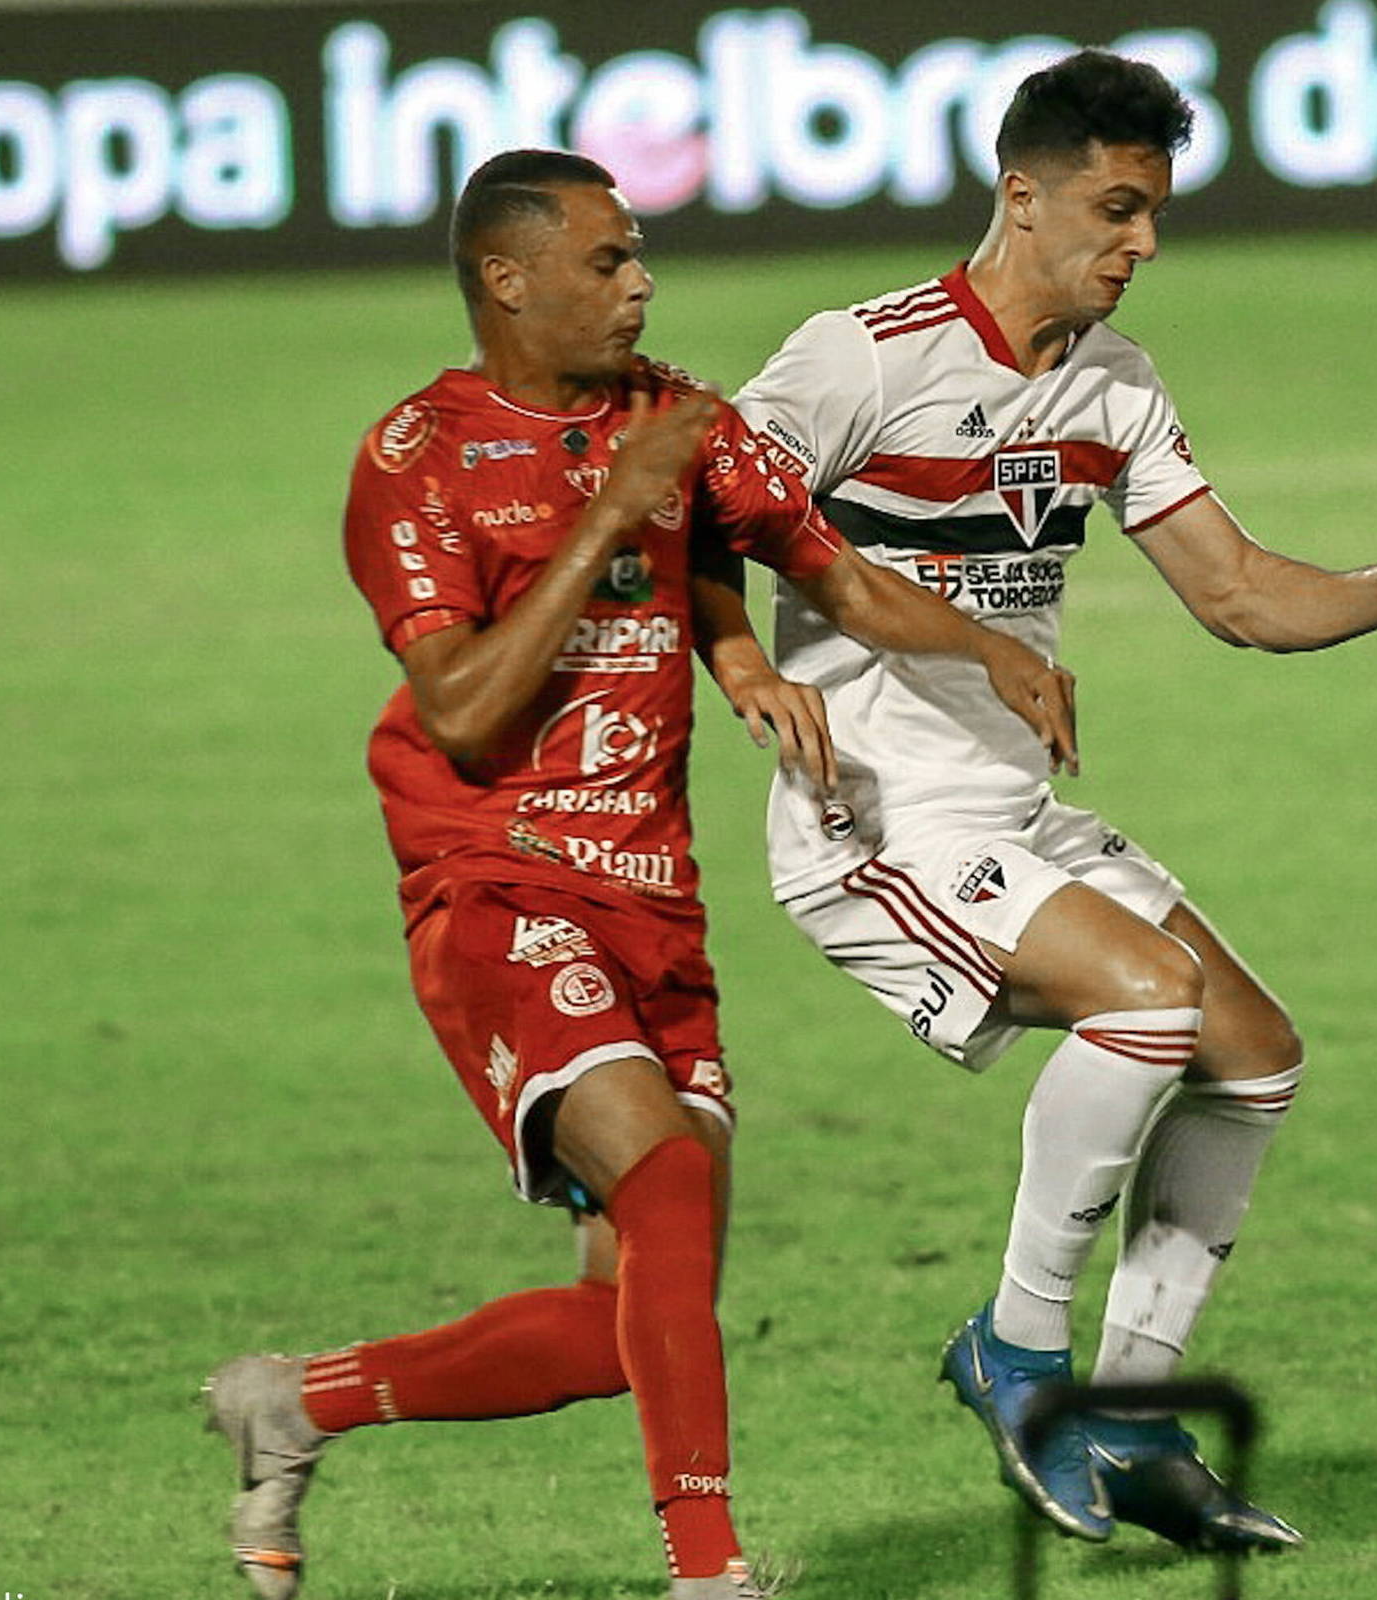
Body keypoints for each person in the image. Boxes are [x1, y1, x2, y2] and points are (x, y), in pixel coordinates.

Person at [200, 148, 1076, 1600]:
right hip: (494, 874)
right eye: (607, 261)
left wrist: (981, 649)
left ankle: (298, 1401)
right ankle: (710, 1572)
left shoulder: (675, 417)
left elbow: (830, 571)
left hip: (651, 892)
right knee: (663, 1174)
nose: (641, 283)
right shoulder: (417, 459)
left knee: (633, 1317)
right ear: (509, 279)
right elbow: (466, 712)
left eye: (637, 255)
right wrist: (613, 515)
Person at [721, 49, 1377, 1554]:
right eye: (1115, 209)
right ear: (1019, 197)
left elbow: (1237, 594)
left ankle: (1132, 1417)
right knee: (1150, 1005)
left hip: (1012, 818)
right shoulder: (859, 359)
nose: (1143, 245)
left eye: (1155, 214)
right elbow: (695, 509)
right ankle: (1020, 1359)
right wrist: (741, 671)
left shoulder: (1115, 386)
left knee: (1256, 1056)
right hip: (877, 825)